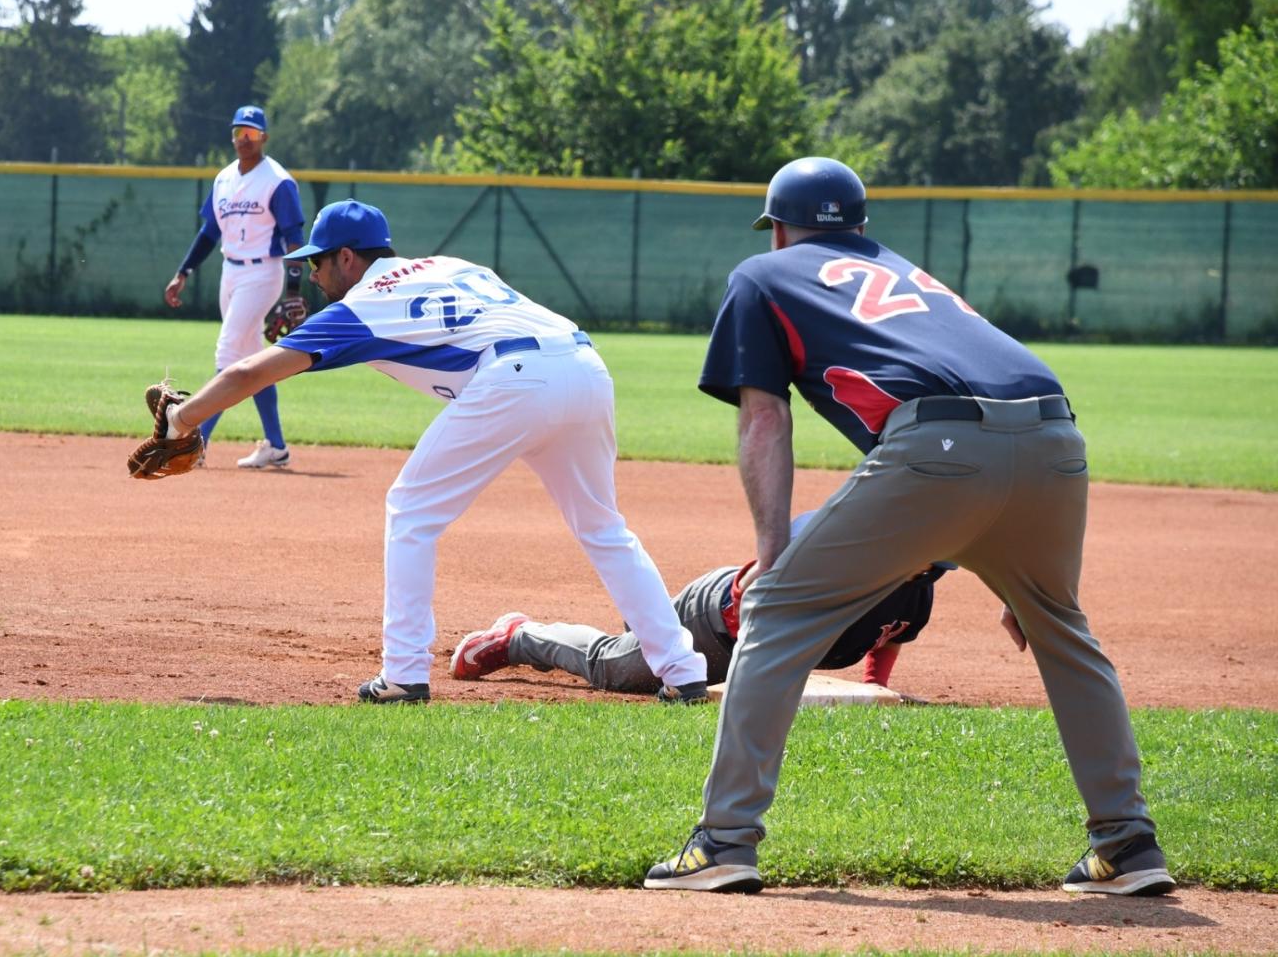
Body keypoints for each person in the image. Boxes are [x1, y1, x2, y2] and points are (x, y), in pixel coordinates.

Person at [644, 157, 1173, 898]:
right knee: (1060, 627)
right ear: (860, 227)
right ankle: (1127, 842)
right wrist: (1027, 583)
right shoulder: (909, 274)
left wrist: (772, 555)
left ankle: (724, 841)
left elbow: (765, 418)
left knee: (778, 606)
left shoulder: (763, 275)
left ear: (779, 229)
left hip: (943, 449)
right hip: (1057, 438)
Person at [139, 199, 710, 704]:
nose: (311, 273)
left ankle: (404, 673)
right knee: (604, 528)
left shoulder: (361, 306)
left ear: (347, 258)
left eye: (318, 261)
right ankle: (682, 670)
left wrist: (182, 418)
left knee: (411, 510)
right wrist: (312, 328)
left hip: (514, 377)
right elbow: (420, 322)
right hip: (584, 364)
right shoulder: (448, 265)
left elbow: (250, 371)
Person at [451, 511, 951, 695]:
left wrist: (877, 692)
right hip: (718, 624)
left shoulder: (917, 589)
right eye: (925, 561)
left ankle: (645, 622)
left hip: (738, 639)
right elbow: (757, 587)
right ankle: (517, 636)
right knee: (614, 670)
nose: (928, 571)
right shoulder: (836, 554)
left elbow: (893, 636)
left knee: (636, 641)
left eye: (934, 567)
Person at [163, 105, 308, 469]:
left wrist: (293, 290)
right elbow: (209, 232)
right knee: (250, 358)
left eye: (252, 133)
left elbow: (294, 238)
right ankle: (276, 447)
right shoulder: (224, 179)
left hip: (263, 273)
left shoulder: (278, 181)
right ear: (232, 136)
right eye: (239, 132)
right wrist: (184, 272)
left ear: (264, 138)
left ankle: (196, 443)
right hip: (231, 272)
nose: (244, 140)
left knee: (226, 353)